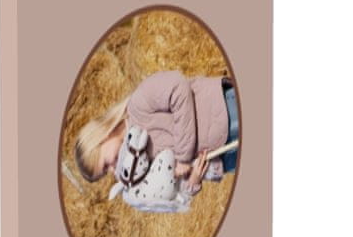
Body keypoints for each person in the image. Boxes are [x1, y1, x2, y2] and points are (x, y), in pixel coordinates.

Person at [72, 69, 238, 194]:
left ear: (102, 137)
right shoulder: (138, 167)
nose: (112, 170)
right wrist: (192, 181)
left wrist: (183, 158)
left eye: (105, 164)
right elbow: (172, 187)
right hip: (225, 157)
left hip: (225, 113)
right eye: (105, 173)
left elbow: (178, 87)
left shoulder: (138, 105)